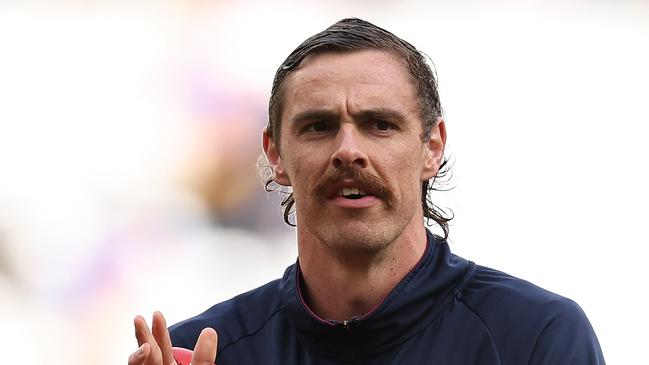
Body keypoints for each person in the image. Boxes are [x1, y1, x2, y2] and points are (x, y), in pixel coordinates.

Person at [128, 18, 605, 364]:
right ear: (275, 155)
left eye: (380, 124)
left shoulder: (535, 337)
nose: (348, 151)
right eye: (318, 126)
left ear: (431, 147)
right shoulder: (201, 353)